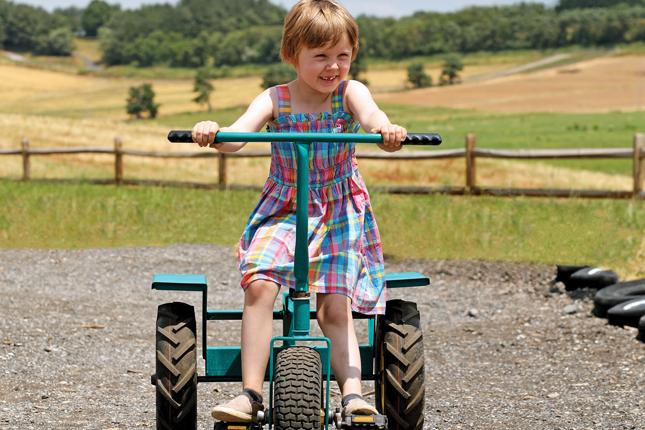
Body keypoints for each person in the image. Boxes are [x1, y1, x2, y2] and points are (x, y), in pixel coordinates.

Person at [191, 0, 407, 423]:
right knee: (259, 285)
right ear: (293, 54)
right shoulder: (277, 98)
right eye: (321, 56)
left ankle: (352, 394)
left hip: (339, 206)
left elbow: (372, 116)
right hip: (285, 205)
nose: (333, 66)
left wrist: (386, 130)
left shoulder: (350, 92)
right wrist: (213, 133)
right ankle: (250, 395)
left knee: (334, 303)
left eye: (342, 55)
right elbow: (237, 137)